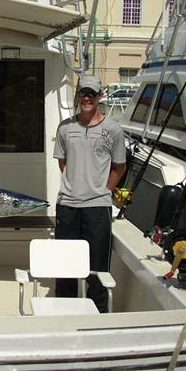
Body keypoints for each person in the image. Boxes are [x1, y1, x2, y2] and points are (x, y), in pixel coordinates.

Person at [53, 76, 126, 313]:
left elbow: (119, 167)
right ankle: (64, 312)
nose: (86, 98)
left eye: (91, 94)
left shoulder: (113, 130)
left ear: (99, 97)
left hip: (98, 206)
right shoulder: (65, 127)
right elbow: (63, 163)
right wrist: (77, 184)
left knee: (96, 268)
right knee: (65, 266)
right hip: (67, 204)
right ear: (77, 96)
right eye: (83, 93)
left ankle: (97, 316)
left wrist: (103, 190)